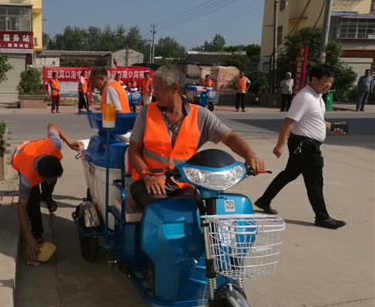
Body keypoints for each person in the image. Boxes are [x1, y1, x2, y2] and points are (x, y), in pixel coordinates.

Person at [128, 65, 265, 208]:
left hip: (184, 184)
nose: (154, 93)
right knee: (161, 209)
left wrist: (250, 156)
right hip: (149, 182)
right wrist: (147, 177)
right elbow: (134, 150)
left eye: (158, 89)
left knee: (200, 210)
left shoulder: (201, 115)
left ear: (174, 88)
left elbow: (229, 137)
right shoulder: (146, 113)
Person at [255, 64, 347, 229]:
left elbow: (316, 120)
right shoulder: (305, 97)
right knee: (315, 182)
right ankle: (322, 217)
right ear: (314, 79)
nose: (329, 85)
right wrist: (280, 145)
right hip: (306, 146)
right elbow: (288, 122)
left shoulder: (317, 97)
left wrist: (332, 126)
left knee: (289, 174)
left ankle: (264, 200)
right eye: (326, 81)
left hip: (303, 144)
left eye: (331, 82)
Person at [12, 123, 84, 260]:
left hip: (39, 151)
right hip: (22, 154)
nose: (52, 181)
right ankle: (37, 231)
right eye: (47, 179)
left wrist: (70, 143)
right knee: (33, 201)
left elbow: (52, 125)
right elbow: (21, 208)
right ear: (40, 176)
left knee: (48, 186)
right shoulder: (26, 178)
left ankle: (47, 196)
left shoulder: (54, 145)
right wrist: (28, 237)